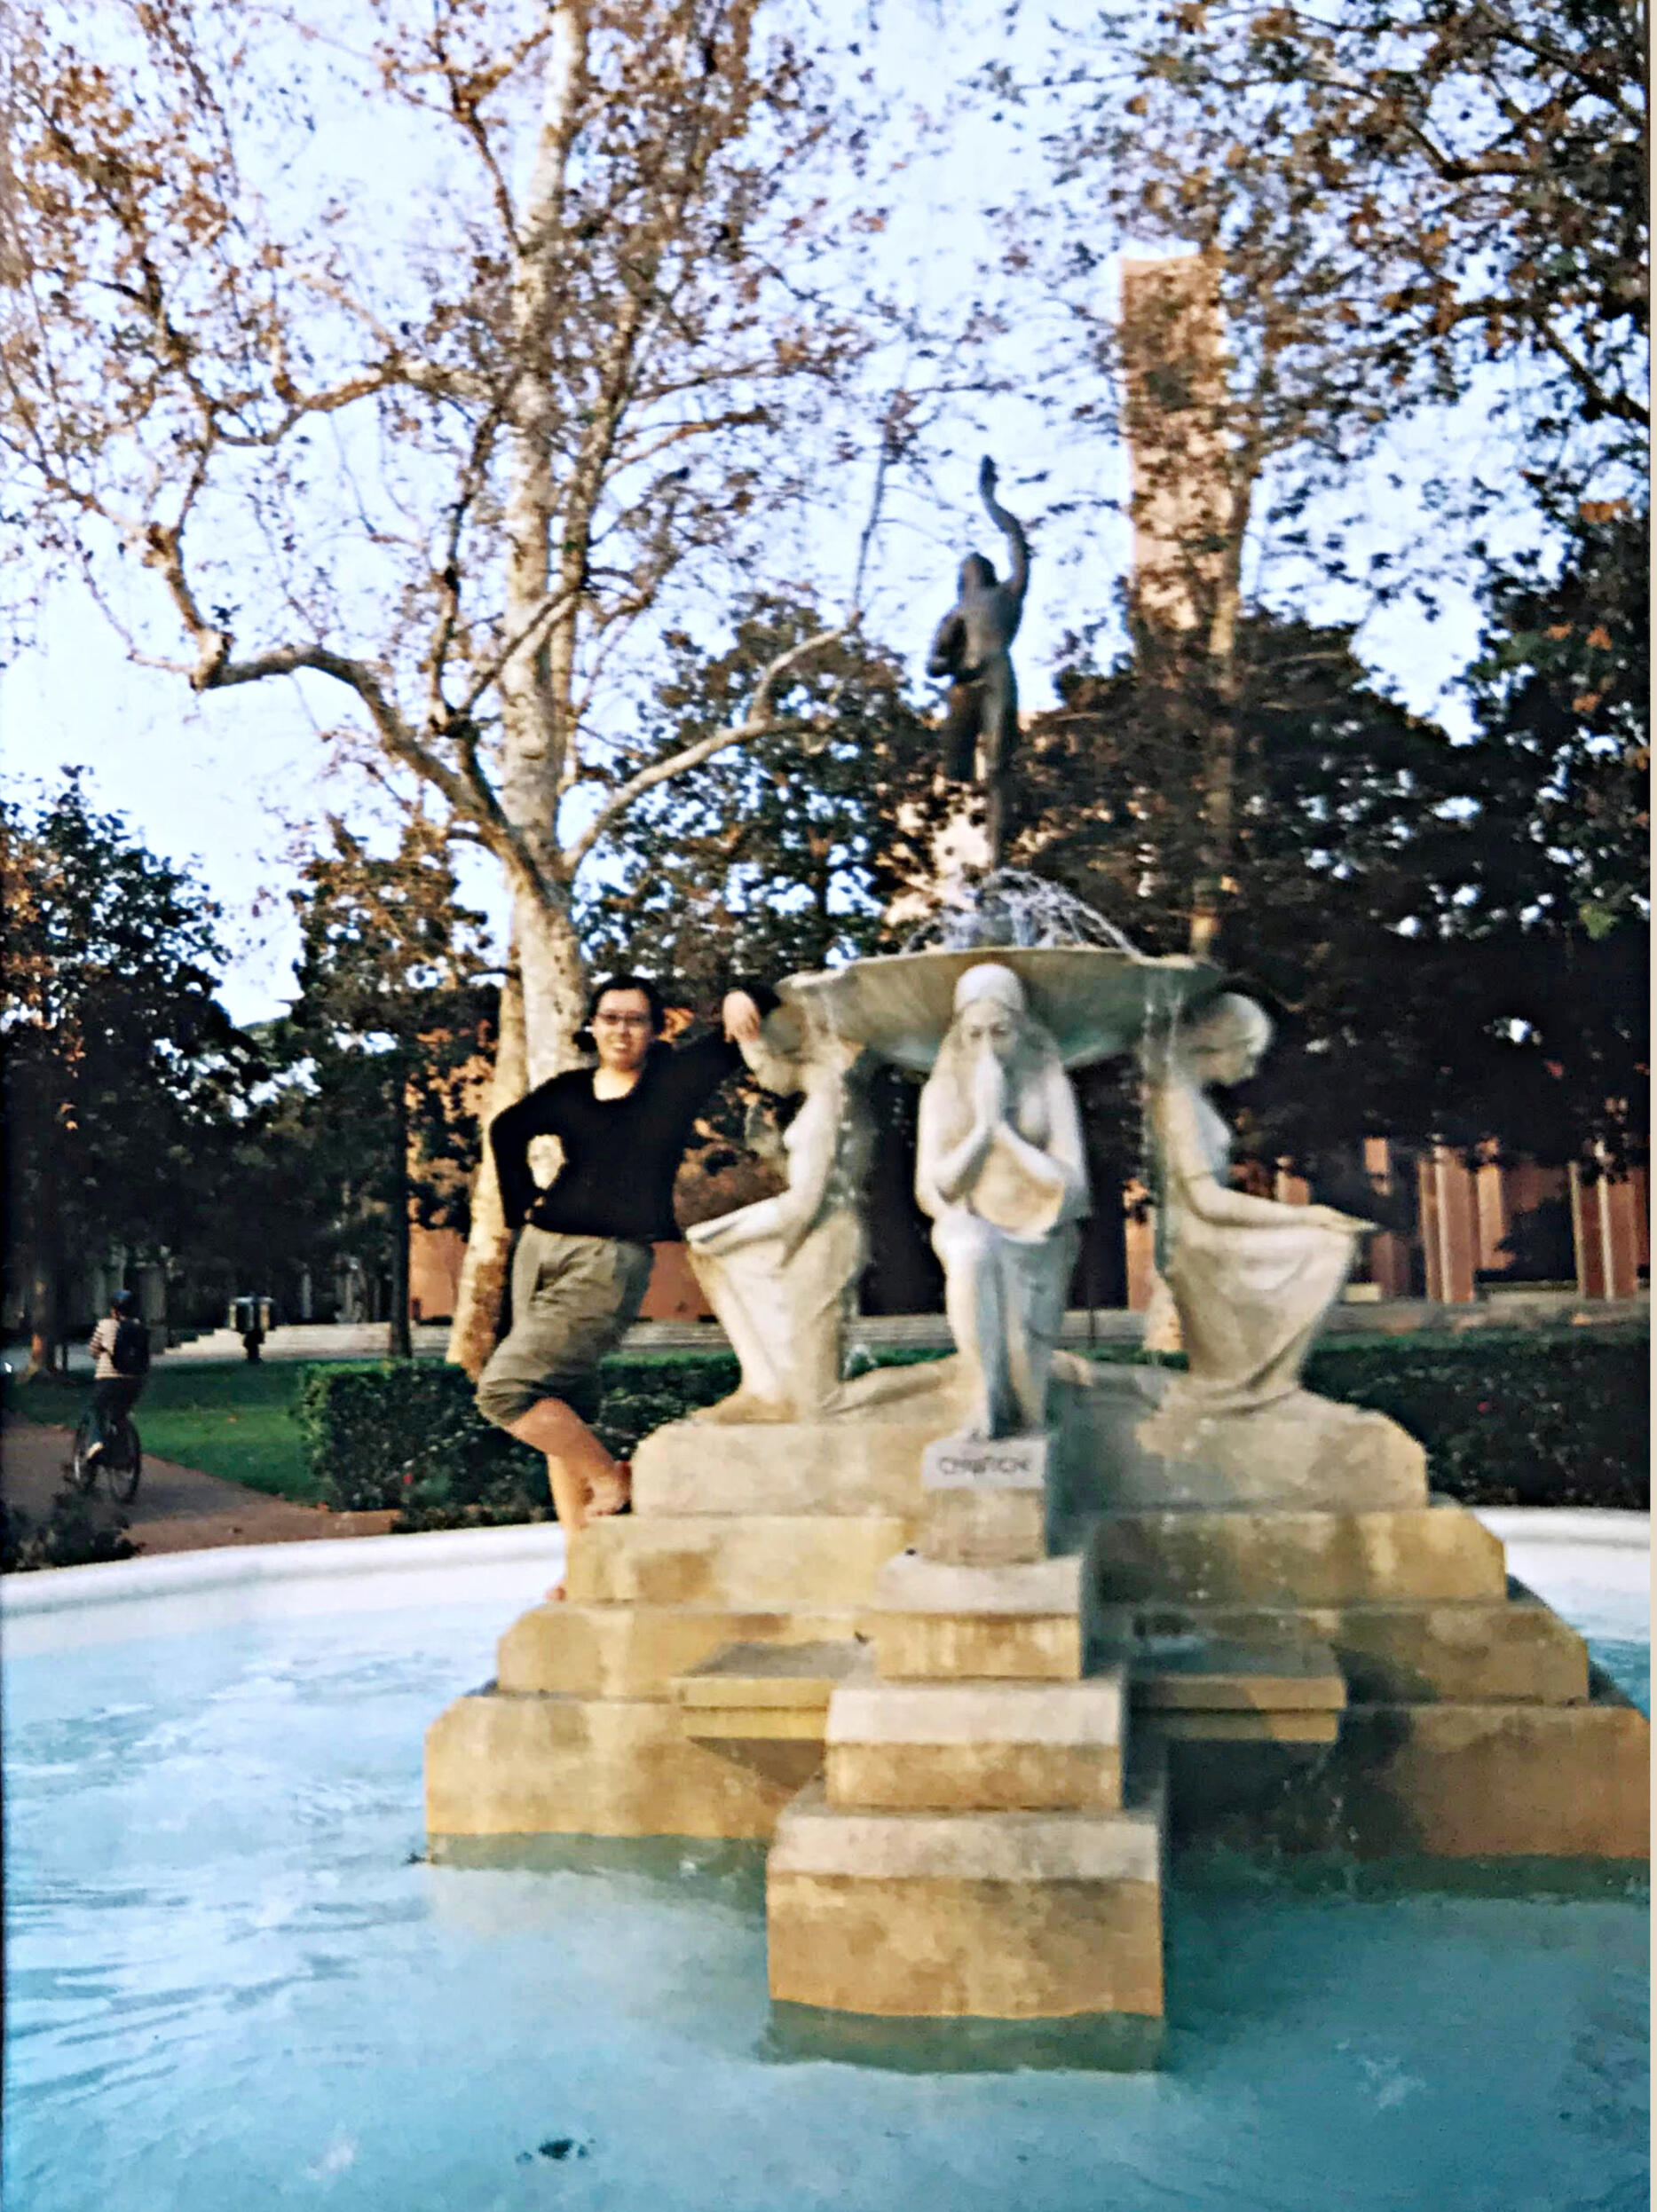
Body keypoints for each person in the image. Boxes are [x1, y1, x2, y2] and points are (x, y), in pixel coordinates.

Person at [476, 972, 771, 1592]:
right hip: (541, 1249)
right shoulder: (569, 1091)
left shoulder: (673, 1080)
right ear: (592, 1024)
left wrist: (744, 992)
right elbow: (505, 1130)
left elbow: (752, 1012)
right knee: (561, 1403)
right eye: (610, 1017)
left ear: (654, 1027)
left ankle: (612, 1479)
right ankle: (583, 1563)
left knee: (506, 1392)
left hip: (610, 1260)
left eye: (635, 1019)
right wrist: (519, 1208)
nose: (620, 1029)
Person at [1142, 993, 1371, 1409]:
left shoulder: (1191, 1097)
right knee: (1329, 1244)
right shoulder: (1175, 1101)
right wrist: (1306, 1217)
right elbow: (1206, 1200)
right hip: (1195, 1241)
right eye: (1247, 1054)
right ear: (1218, 1046)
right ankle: (1252, 1386)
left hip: (1207, 1231)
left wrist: (1306, 1220)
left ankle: (1267, 1385)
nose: (1251, 1068)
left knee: (1331, 1242)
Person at [915, 963, 1089, 1439]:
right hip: (969, 1222)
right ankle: (982, 1398)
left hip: (1041, 1233)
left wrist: (1007, 1134)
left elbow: (1074, 1188)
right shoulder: (942, 1090)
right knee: (971, 1252)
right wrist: (981, 1131)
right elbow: (934, 1190)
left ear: (1022, 1029)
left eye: (1001, 1032)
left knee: (1027, 1391)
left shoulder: (1048, 1084)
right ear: (959, 1033)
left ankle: (1020, 1405)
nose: (987, 1047)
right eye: (974, 1034)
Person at [84, 1288, 150, 1461]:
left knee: (95, 1408)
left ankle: (96, 1443)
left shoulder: (105, 1325)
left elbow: (92, 1350)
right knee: (119, 1414)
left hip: (109, 1379)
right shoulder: (139, 1327)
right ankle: (122, 1455)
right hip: (135, 1381)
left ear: (114, 1309)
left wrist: (100, 1352)